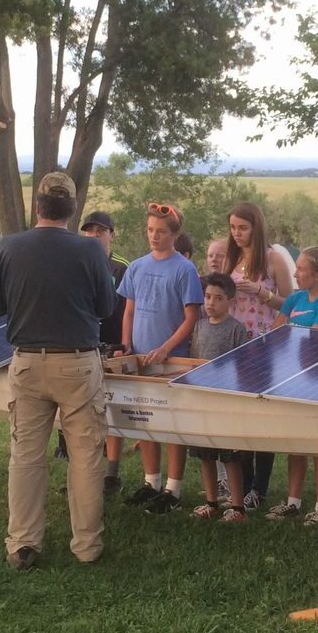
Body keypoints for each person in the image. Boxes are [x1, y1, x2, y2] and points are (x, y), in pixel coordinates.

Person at [0, 172, 117, 569]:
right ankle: (86, 546)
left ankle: (23, 544)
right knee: (85, 456)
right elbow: (106, 308)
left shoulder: (9, 248)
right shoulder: (91, 251)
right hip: (78, 363)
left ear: (38, 206)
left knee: (26, 455)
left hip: (27, 361)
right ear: (72, 209)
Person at [119, 201, 204, 515]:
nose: (154, 236)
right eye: (150, 230)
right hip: (140, 358)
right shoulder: (137, 266)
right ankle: (151, 481)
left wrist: (167, 347)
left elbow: (190, 317)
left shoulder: (184, 269)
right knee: (144, 421)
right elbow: (128, 309)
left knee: (171, 424)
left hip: (171, 361)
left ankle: (173, 488)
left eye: (161, 232)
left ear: (175, 234)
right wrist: (126, 344)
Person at [261, 247, 318, 524]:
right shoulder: (296, 298)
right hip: (292, 379)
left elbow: (315, 343)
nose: (296, 273)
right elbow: (277, 331)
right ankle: (293, 501)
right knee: (295, 442)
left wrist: (290, 336)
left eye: (301, 269)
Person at [224, 201, 294, 509]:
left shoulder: (273, 258)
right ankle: (243, 484)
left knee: (261, 416)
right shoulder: (232, 257)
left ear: (256, 228)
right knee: (238, 417)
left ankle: (259, 489)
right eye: (233, 228)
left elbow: (292, 303)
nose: (237, 233)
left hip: (266, 345)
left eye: (243, 228)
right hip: (236, 343)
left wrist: (262, 293)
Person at [188, 273, 251, 521]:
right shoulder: (200, 326)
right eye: (207, 297)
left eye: (218, 298)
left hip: (225, 400)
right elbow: (193, 359)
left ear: (229, 301)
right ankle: (211, 502)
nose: (210, 302)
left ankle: (237, 507)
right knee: (205, 453)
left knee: (229, 455)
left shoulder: (236, 329)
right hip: (202, 398)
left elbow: (242, 365)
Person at [81, 211, 129, 492]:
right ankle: (86, 475)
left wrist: (123, 345)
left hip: (112, 345)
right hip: (82, 344)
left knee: (112, 409)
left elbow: (126, 309)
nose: (94, 236)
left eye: (100, 231)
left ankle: (111, 473)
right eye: (89, 231)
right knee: (86, 413)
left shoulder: (122, 267)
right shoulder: (76, 262)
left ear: (112, 234)